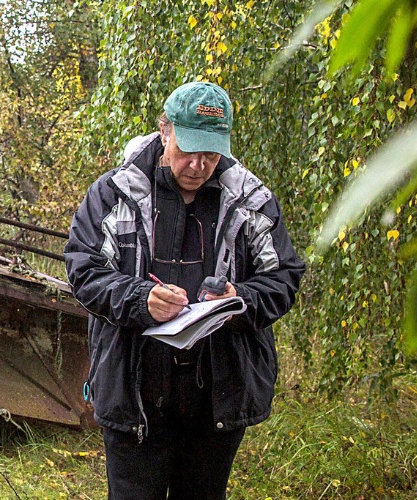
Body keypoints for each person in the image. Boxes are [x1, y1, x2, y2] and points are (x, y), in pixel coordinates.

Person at [65, 82, 305, 498]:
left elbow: (283, 277)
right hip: (133, 391)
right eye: (189, 150)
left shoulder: (251, 200)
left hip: (217, 395)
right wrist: (141, 300)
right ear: (165, 132)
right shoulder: (114, 193)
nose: (198, 165)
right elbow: (83, 270)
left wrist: (239, 301)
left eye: (211, 154)